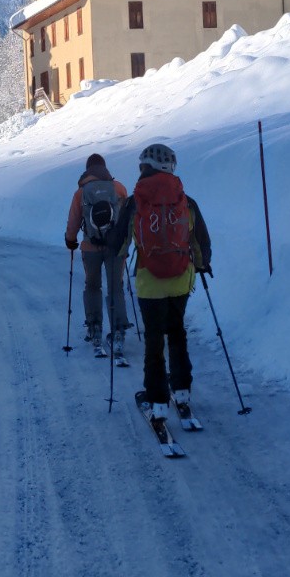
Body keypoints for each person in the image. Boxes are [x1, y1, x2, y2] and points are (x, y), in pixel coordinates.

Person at [110, 143, 211, 418]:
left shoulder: (135, 202)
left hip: (150, 281)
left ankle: (157, 401)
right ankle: (182, 390)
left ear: (145, 167)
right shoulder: (185, 200)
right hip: (181, 278)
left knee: (154, 340)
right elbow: (200, 240)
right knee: (177, 332)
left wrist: (117, 259)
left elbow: (118, 243)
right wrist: (202, 265)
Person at [64, 152, 129, 357]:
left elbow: (74, 220)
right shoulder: (118, 188)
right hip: (115, 248)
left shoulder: (81, 192)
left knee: (92, 286)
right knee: (116, 287)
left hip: (90, 247)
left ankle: (94, 328)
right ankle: (118, 332)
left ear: (88, 170)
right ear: (105, 168)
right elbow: (127, 217)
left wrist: (70, 240)